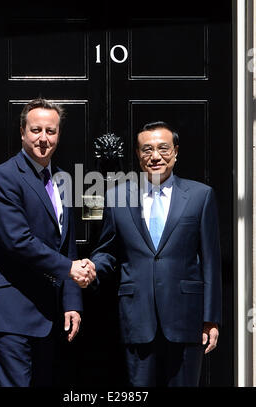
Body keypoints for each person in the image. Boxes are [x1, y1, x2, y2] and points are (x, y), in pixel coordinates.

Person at [86, 121, 222, 387]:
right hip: (137, 318)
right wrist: (90, 267)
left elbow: (211, 262)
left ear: (176, 151)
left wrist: (211, 319)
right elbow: (108, 252)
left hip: (186, 319)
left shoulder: (200, 196)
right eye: (147, 149)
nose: (156, 156)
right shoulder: (117, 197)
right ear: (138, 155)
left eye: (163, 148)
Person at [0, 98, 95, 387]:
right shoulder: (3, 178)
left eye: (50, 131)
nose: (43, 138)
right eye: (36, 130)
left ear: (58, 135)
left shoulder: (63, 179)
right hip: (10, 312)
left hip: (48, 315)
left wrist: (72, 302)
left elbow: (66, 245)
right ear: (22, 132)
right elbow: (18, 241)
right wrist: (71, 268)